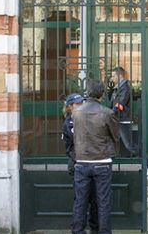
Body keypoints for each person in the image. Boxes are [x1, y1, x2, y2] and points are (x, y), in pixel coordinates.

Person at [72, 81, 119, 234]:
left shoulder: (76, 113)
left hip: (81, 161)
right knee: (103, 202)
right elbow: (116, 136)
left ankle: (78, 230)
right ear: (102, 94)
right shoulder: (107, 113)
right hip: (102, 161)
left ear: (88, 93)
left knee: (80, 201)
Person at [110, 66, 148, 175]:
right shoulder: (118, 88)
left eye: (113, 76)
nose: (111, 78)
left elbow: (120, 104)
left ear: (119, 75)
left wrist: (111, 112)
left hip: (122, 120)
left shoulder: (125, 88)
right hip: (116, 119)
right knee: (109, 142)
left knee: (130, 145)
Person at [62, 93, 99, 233]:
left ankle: (95, 229)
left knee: (95, 201)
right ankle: (78, 230)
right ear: (70, 107)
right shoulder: (69, 123)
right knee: (81, 201)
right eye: (78, 104)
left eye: (82, 103)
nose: (81, 106)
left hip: (91, 163)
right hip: (77, 164)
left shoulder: (84, 119)